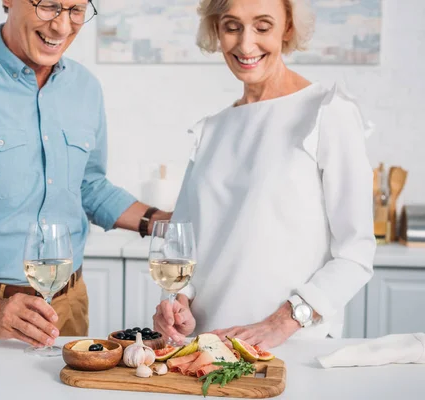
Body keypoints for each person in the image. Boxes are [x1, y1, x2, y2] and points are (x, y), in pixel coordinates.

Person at [0, 0, 171, 348]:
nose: (62, 27)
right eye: (49, 6)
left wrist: (161, 222)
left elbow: (88, 186)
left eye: (76, 10)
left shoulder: (85, 88)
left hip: (68, 308)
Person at [152, 0, 376, 350]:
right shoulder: (211, 129)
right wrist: (182, 303)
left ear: (287, 28)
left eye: (262, 26)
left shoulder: (327, 111)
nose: (245, 44)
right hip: (206, 349)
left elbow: (356, 254)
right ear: (216, 30)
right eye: (231, 26)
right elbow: (184, 244)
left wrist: (284, 320)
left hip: (292, 346)